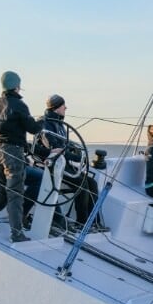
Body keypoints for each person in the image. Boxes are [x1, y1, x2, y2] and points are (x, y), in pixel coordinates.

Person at [0, 71, 41, 243]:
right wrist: (42, 121)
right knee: (15, 192)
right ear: (16, 86)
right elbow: (33, 128)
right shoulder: (20, 105)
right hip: (12, 153)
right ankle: (17, 234)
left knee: (2, 187)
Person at [34, 94, 104, 231]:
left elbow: (65, 145)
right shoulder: (45, 123)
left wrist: (76, 152)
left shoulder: (58, 124)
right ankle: (82, 223)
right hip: (51, 166)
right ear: (56, 108)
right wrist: (74, 157)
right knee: (82, 184)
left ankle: (93, 221)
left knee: (92, 183)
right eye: (63, 106)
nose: (65, 108)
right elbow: (53, 148)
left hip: (62, 164)